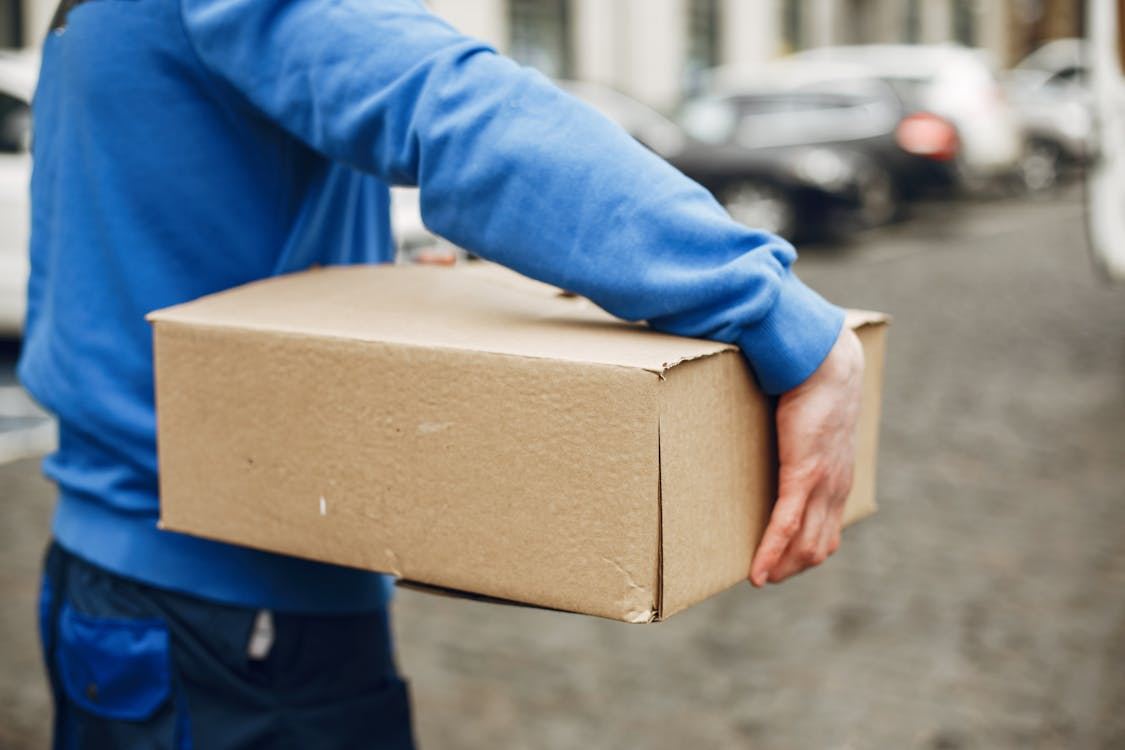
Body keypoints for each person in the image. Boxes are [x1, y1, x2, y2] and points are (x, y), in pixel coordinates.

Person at [20, 0, 864, 747]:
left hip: (110, 576)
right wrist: (779, 317)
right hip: (234, 616)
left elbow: (175, 227)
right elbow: (458, 111)